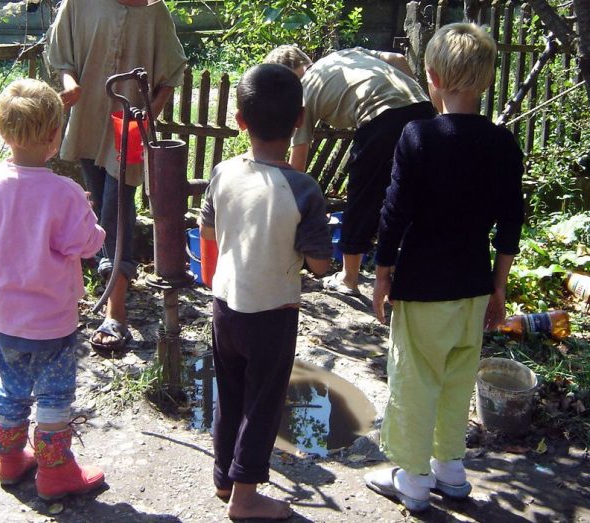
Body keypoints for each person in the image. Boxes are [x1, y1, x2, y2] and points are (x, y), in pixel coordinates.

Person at [364, 23, 524, 512]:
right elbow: (511, 222)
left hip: (423, 287)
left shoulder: (418, 136)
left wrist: (382, 274)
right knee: (457, 380)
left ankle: (413, 480)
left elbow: (394, 213)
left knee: (415, 381)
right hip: (474, 286)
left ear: (431, 76)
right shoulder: (502, 142)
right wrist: (498, 288)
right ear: (487, 79)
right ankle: (451, 470)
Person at [198, 64, 332, 520]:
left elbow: (208, 231)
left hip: (224, 305)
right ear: (299, 120)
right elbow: (320, 264)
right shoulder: (304, 189)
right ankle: (245, 497)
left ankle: (224, 477)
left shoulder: (222, 172)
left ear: (240, 120)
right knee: (263, 404)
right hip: (273, 313)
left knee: (230, 393)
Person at [0, 79, 107, 499]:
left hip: (5, 316)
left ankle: (10, 460)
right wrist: (87, 214)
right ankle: (55, 472)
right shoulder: (64, 192)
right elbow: (87, 245)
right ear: (54, 133)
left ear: (2, 130)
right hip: (51, 321)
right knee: (54, 394)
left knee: (11, 388)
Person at [47, 0, 187, 351]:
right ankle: (112, 280)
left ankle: (116, 310)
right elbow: (62, 56)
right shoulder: (79, 5)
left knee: (117, 207)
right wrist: (70, 84)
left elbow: (172, 72)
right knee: (100, 207)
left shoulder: (155, 13)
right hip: (89, 119)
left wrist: (149, 113)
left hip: (130, 128)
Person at [265, 43, 435, 296]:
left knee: (362, 197)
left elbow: (297, 168)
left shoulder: (303, 92)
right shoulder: (345, 56)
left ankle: (348, 278)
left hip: (381, 118)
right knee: (411, 194)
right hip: (422, 108)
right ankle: (412, 272)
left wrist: (289, 208)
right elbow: (398, 58)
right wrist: (413, 100)